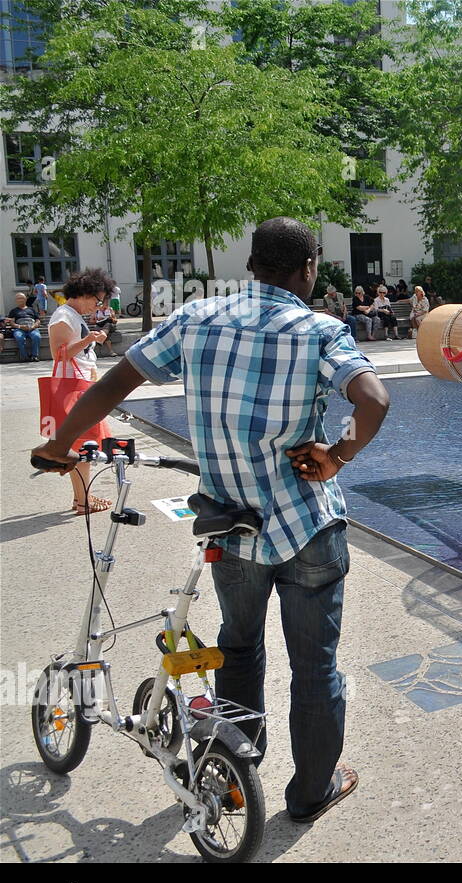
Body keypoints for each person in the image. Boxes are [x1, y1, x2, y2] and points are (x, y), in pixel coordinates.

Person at [33, 217, 390, 823]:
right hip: (306, 526)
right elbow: (373, 400)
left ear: (251, 265)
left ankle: (229, 778)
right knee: (314, 666)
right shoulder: (319, 329)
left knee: (239, 649)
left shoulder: (196, 319)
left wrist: (59, 447)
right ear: (309, 268)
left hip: (230, 524)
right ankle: (310, 792)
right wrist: (336, 455)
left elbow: (112, 387)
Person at [43, 270, 113, 513]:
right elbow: (59, 354)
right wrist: (87, 340)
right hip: (73, 387)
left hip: (80, 385)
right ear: (84, 294)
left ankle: (82, 498)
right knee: (84, 445)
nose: (98, 305)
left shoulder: (72, 315)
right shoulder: (63, 316)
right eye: (98, 299)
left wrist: (93, 339)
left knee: (82, 444)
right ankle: (83, 501)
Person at [5, 292, 43, 361]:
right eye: (18, 299)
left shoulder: (31, 309)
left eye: (21, 298)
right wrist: (20, 326)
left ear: (25, 299)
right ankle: (24, 356)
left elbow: (38, 320)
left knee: (36, 336)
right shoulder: (13, 311)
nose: (20, 300)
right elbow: (12, 322)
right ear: (16, 301)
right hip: (19, 329)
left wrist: (33, 326)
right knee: (19, 337)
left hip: (32, 328)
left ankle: (34, 356)